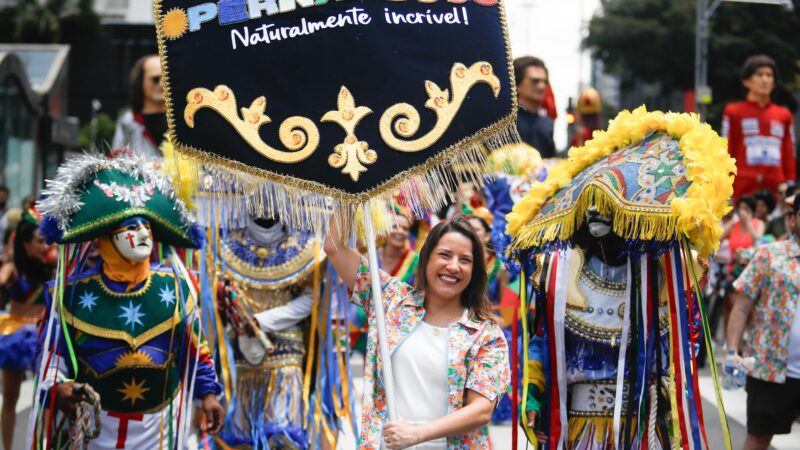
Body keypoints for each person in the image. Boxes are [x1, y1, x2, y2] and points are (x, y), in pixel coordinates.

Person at [30, 151, 223, 449]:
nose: (143, 233)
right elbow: (52, 357)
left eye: (146, 226)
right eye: (131, 228)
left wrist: (208, 395)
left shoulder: (179, 286)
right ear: (106, 239)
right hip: (95, 430)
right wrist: (59, 386)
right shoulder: (71, 295)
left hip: (160, 430)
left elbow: (196, 350)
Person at [325, 216, 509, 449]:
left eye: (465, 260)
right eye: (444, 255)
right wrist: (348, 184)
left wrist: (415, 435)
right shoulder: (391, 300)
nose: (453, 266)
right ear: (426, 258)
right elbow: (334, 247)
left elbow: (481, 410)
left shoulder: (486, 334)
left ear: (475, 270)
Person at [211, 215, 328, 448]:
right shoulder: (224, 240)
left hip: (286, 353)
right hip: (240, 353)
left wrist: (261, 321)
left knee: (282, 431)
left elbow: (311, 297)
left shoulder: (305, 242)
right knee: (241, 431)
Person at [726, 194, 800, 450]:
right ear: (792, 220)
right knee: (759, 438)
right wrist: (732, 350)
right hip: (769, 367)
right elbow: (742, 306)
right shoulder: (769, 255)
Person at [0, 210, 54, 450]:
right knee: (10, 397)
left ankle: (37, 445)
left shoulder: (53, 269)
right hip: (16, 335)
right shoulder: (13, 268)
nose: (45, 246)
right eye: (39, 241)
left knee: (43, 399)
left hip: (43, 334)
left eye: (46, 241)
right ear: (25, 244)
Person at [722, 55, 796, 201]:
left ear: (774, 82)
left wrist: (790, 185)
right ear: (746, 81)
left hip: (776, 190)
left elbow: (789, 152)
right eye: (759, 75)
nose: (764, 80)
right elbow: (727, 149)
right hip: (741, 191)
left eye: (769, 75)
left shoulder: (784, 115)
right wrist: (725, 186)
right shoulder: (733, 112)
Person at [112, 55, 168, 159]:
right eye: (155, 79)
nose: (161, 84)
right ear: (140, 81)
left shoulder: (184, 121)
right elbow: (116, 163)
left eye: (166, 79)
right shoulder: (128, 122)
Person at [514, 56, 556, 158]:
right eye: (535, 81)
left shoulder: (548, 123)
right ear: (517, 84)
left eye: (545, 82)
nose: (541, 86)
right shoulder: (503, 122)